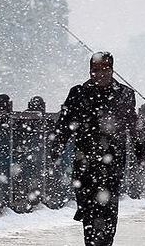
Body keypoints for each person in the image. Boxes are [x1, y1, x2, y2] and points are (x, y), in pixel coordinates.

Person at [51, 52, 139, 246]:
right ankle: (92, 234)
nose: (99, 74)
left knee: (108, 206)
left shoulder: (125, 94)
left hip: (113, 161)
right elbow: (65, 124)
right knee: (88, 204)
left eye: (104, 69)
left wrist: (138, 144)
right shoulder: (78, 93)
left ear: (112, 70)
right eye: (95, 70)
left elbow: (131, 123)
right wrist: (57, 145)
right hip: (85, 160)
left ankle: (104, 239)